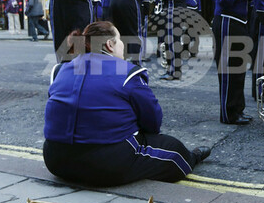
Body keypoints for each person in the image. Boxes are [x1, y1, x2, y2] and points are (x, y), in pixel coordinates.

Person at [43, 21, 210, 187]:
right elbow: (152, 120)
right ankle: (193, 157)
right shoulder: (127, 71)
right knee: (175, 151)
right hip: (104, 165)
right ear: (110, 45)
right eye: (120, 39)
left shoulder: (60, 70)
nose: (122, 45)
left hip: (55, 160)